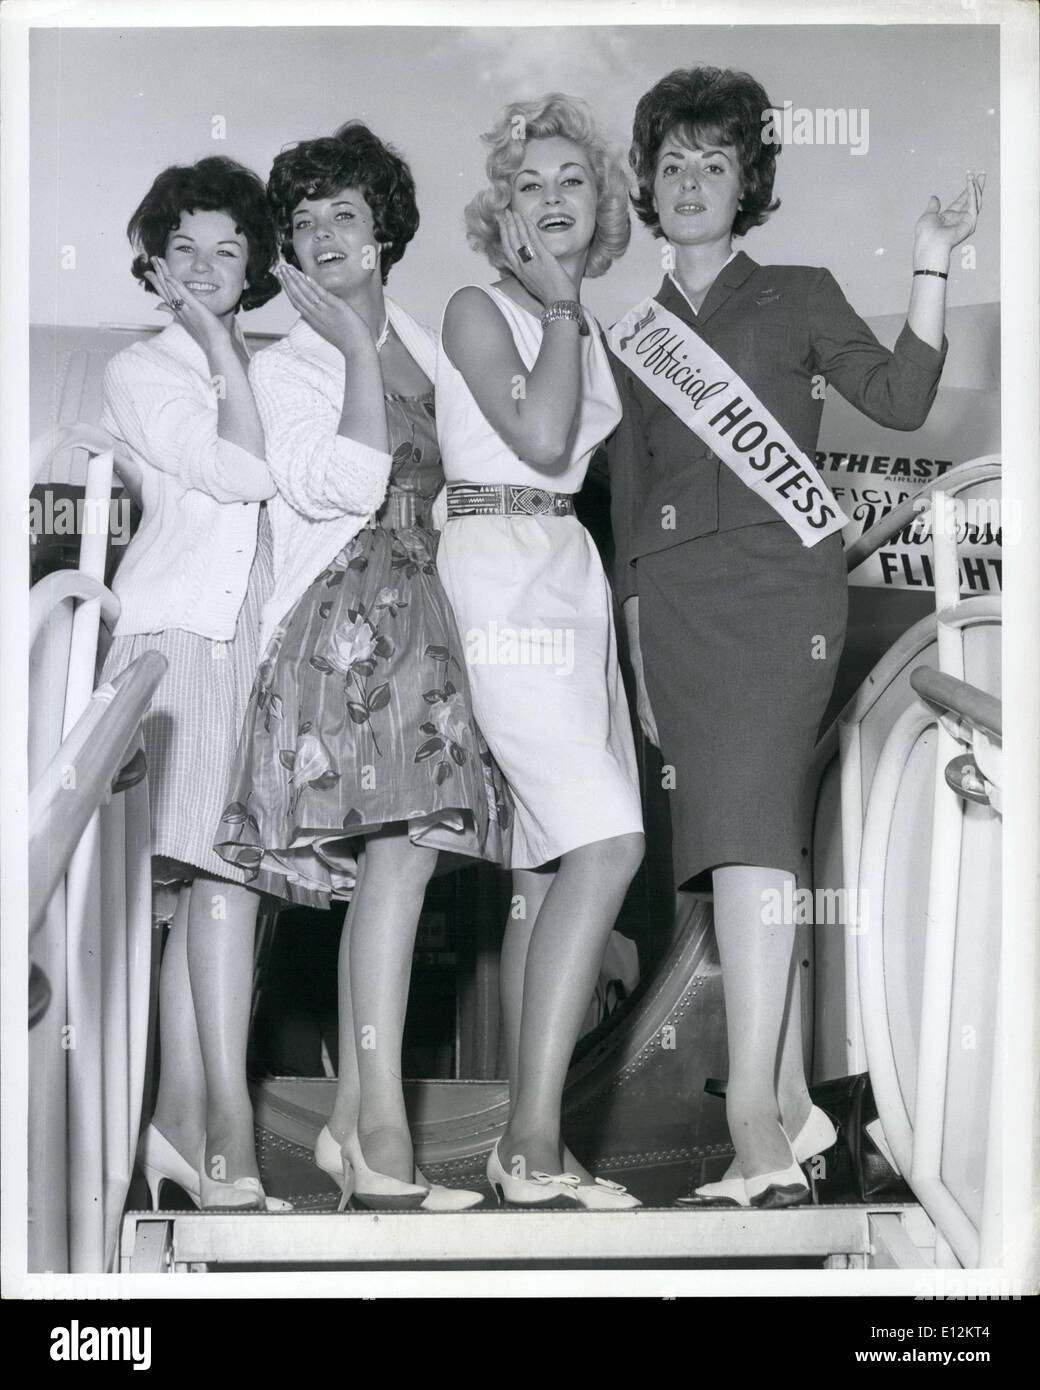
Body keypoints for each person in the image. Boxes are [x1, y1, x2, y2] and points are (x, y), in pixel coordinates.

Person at [607, 66, 982, 1207]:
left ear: (746, 183)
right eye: (669, 162)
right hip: (672, 609)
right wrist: (633, 659)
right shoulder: (626, 328)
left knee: (756, 832)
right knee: (726, 846)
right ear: (647, 183)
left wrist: (927, 259)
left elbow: (906, 399)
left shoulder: (803, 292)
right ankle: (786, 1112)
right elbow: (624, 503)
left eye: (711, 163)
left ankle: (752, 1129)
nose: (688, 181)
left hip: (778, 596)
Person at [216, 122, 508, 1211]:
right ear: (285, 253)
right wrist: (344, 349)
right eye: (302, 221)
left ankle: (355, 1123)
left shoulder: (429, 345)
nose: (323, 233)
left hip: (423, 613)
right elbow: (342, 483)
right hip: (337, 619)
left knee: (402, 868)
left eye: (343, 212)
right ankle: (379, 1127)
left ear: (382, 232)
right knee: (397, 864)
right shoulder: (288, 363)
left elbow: (466, 482)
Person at [435, 94, 645, 1209]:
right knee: (607, 841)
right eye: (529, 183)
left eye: (572, 180)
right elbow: (545, 438)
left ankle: (522, 1139)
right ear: (502, 213)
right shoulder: (479, 308)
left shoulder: (577, 319)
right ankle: (531, 1144)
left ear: (599, 203)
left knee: (542, 871)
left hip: (565, 576)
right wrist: (562, 307)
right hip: (496, 564)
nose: (552, 198)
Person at [100, 156, 291, 1210]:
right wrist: (221, 343)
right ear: (157, 263)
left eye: (229, 249)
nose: (209, 266)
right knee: (218, 879)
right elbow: (238, 470)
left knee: (227, 890)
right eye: (187, 249)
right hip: (178, 642)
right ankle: (224, 1129)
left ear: (254, 260)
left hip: (249, 643)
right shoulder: (146, 365)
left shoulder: (264, 363)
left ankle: (179, 1122)